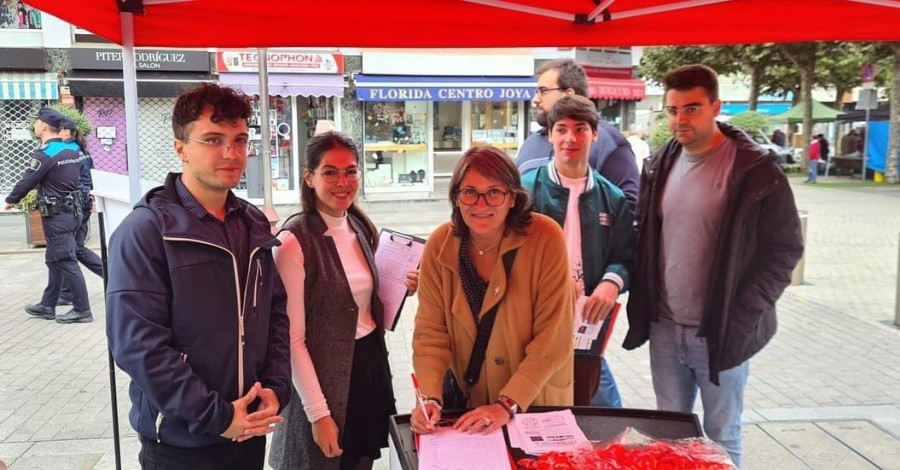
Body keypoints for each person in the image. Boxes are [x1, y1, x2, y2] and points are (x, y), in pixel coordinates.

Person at [623, 65, 804, 467]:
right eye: (672, 110)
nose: (680, 119)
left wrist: (744, 310)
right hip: (665, 329)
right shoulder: (659, 164)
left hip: (722, 328)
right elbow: (646, 238)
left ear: (716, 106)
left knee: (722, 434)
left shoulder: (755, 170)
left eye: (692, 108)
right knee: (668, 433)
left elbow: (785, 250)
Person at [105, 84, 292, 470]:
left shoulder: (252, 221)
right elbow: (138, 346)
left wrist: (275, 387)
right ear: (180, 148)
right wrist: (216, 416)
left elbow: (274, 312)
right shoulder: (147, 231)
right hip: (181, 441)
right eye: (213, 140)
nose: (231, 153)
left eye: (240, 140)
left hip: (248, 428)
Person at [268, 131, 417, 470]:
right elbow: (291, 339)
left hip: (368, 366)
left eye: (350, 171)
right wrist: (318, 414)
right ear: (309, 177)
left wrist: (401, 287)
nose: (343, 181)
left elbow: (362, 303)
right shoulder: (294, 241)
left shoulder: (359, 226)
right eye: (330, 172)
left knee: (361, 461)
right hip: (323, 380)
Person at [410, 146, 574, 436]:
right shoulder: (439, 245)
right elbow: (430, 334)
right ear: (456, 197)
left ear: (512, 198)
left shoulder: (546, 238)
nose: (481, 203)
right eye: (469, 192)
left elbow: (554, 337)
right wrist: (430, 397)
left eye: (494, 192)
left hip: (533, 402)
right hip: (471, 403)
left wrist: (506, 403)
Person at [522, 95, 634, 407]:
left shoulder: (613, 198)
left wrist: (612, 282)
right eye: (561, 129)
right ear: (550, 134)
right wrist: (553, 284)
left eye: (580, 129)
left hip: (587, 320)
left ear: (595, 134)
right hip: (534, 317)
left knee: (593, 403)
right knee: (538, 398)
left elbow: (625, 257)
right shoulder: (525, 190)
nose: (570, 138)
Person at [3, 107, 92, 324]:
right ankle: (47, 305)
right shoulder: (71, 151)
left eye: (35, 122)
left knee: (66, 260)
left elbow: (28, 180)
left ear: (43, 126)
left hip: (58, 216)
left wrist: (10, 200)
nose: (34, 126)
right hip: (72, 213)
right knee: (54, 259)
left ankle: (82, 309)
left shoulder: (46, 154)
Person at [517, 59, 640, 211]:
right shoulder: (530, 143)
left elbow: (628, 207)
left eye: (543, 91)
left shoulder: (610, 143)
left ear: (568, 94)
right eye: (560, 130)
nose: (535, 99)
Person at [56, 119, 103, 306]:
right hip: (82, 203)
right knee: (73, 248)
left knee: (75, 249)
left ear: (66, 132)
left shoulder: (67, 152)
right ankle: (66, 293)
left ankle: (113, 276)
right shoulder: (81, 150)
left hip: (76, 205)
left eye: (58, 130)